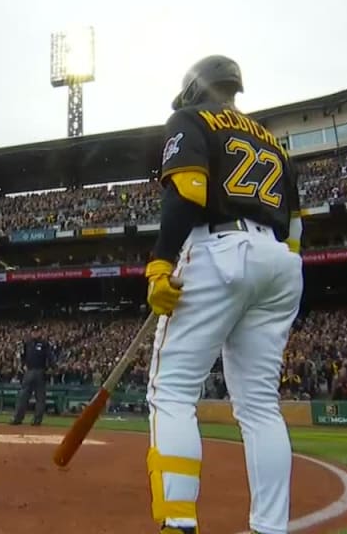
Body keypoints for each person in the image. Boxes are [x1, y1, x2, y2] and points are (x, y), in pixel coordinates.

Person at [144, 55, 304, 534]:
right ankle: (271, 528)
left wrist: (161, 262)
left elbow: (189, 193)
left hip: (219, 248)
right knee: (259, 406)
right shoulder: (275, 143)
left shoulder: (190, 119)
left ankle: (178, 523)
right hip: (281, 260)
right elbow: (296, 226)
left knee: (171, 391)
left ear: (194, 88)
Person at [10, 325, 53, 426]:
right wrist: (21, 366)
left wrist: (51, 368)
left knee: (40, 398)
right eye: (33, 331)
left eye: (37, 331)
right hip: (29, 371)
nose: (35, 333)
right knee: (23, 396)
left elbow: (50, 357)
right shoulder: (27, 343)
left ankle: (37, 420)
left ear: (40, 332)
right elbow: (22, 356)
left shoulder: (44, 344)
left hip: (40, 371)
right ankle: (17, 418)